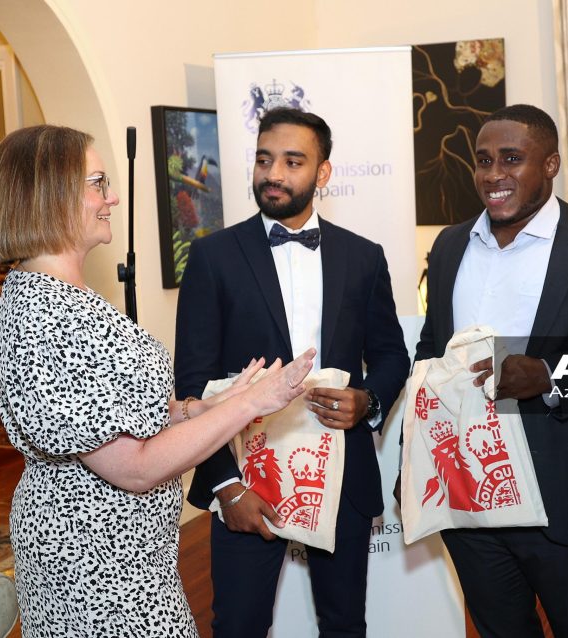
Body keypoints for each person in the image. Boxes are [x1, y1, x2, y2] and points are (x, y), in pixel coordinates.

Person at [0, 124, 315, 637]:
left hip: (127, 558)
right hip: (94, 567)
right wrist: (250, 404)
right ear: (50, 196)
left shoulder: (68, 297)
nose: (113, 197)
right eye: (97, 183)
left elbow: (117, 412)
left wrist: (202, 408)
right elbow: (133, 466)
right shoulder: (44, 314)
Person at [414, 104, 568, 638]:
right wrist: (420, 453)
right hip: (467, 494)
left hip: (561, 498)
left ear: (550, 164)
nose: (493, 174)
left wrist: (550, 375)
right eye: (483, 160)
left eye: (511, 159)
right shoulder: (450, 246)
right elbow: (431, 350)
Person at [175, 107, 409, 638]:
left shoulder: (364, 257)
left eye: (292, 161)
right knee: (239, 625)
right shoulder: (213, 257)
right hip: (246, 475)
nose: (273, 174)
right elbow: (193, 383)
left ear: (323, 173)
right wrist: (227, 487)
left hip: (342, 472)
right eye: (264, 160)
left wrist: (368, 401)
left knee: (344, 624)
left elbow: (392, 354)